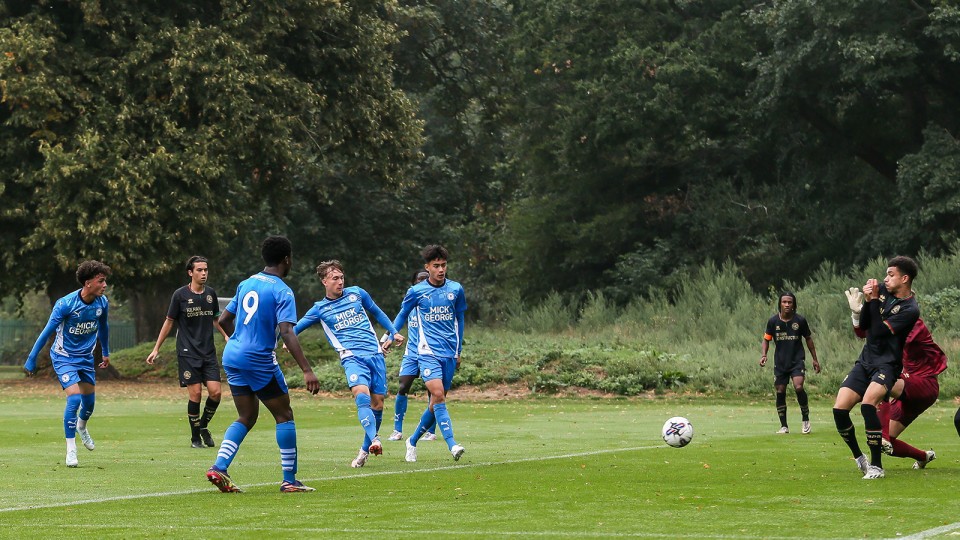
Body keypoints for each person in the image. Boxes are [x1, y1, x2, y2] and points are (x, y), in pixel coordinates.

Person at [205, 236, 320, 493]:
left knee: (246, 415)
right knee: (284, 415)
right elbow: (287, 331)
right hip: (258, 358)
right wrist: (306, 369)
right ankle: (289, 480)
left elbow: (223, 320)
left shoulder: (246, 283)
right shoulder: (282, 290)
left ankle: (219, 467)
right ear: (286, 259)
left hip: (233, 355)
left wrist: (240, 340)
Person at [290, 260, 404, 468]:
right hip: (352, 358)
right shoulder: (319, 308)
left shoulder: (357, 294)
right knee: (362, 395)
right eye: (335, 278)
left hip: (375, 354)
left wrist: (393, 331)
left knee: (377, 404)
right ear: (324, 281)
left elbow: (377, 312)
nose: (340, 282)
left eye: (341, 277)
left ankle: (364, 450)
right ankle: (376, 439)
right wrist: (286, 343)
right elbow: (295, 328)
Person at [833, 256, 920, 480]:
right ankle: (859, 457)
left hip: (888, 364)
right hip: (865, 361)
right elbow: (865, 327)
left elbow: (880, 331)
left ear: (905, 278)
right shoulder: (880, 291)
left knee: (868, 404)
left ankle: (877, 466)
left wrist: (871, 303)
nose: (885, 278)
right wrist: (857, 310)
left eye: (891, 275)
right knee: (839, 409)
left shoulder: (910, 309)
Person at [23, 260, 112, 468]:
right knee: (75, 399)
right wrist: (31, 358)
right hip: (63, 357)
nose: (105, 285)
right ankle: (71, 450)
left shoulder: (102, 303)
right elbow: (47, 332)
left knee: (89, 404)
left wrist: (106, 352)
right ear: (88, 283)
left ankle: (82, 426)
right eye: (101, 281)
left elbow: (104, 327)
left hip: (86, 359)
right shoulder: (66, 304)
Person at [844, 287, 944, 469]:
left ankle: (881, 436)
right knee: (886, 444)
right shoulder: (891, 319)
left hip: (924, 384)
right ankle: (923, 456)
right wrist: (857, 314)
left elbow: (878, 333)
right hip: (906, 387)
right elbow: (864, 334)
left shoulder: (913, 323)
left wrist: (869, 311)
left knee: (881, 382)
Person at [392, 245, 468, 462]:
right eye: (436, 266)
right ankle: (452, 444)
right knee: (438, 394)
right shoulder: (416, 291)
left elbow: (460, 320)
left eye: (443, 265)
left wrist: (458, 350)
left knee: (436, 402)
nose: (441, 269)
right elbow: (401, 315)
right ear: (427, 267)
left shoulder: (456, 289)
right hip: (426, 353)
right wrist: (390, 335)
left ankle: (412, 440)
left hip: (449, 354)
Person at [146, 256, 230, 448]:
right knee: (196, 394)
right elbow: (169, 321)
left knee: (216, 393)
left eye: (205, 270)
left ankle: (203, 426)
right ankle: (195, 439)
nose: (204, 273)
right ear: (190, 273)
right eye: (199, 270)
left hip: (208, 351)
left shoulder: (211, 294)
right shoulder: (180, 295)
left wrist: (226, 336)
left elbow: (216, 319)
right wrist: (156, 348)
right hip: (187, 352)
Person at [760, 291, 821, 434]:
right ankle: (784, 426)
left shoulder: (800, 321)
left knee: (798, 387)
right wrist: (764, 355)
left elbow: (808, 339)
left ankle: (805, 420)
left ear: (794, 305)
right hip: (780, 362)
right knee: (780, 391)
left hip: (797, 361)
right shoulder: (773, 321)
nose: (787, 304)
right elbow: (766, 339)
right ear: (780, 304)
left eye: (790, 302)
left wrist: (815, 359)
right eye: (784, 302)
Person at [387, 269, 437, 442]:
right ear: (414, 283)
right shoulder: (411, 300)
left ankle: (431, 431)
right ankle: (397, 430)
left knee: (433, 389)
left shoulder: (433, 301)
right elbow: (399, 318)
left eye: (426, 279)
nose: (423, 282)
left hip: (430, 352)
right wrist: (389, 336)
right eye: (420, 279)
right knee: (403, 386)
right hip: (412, 353)